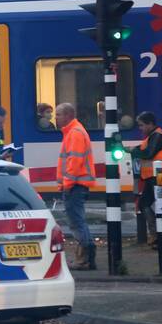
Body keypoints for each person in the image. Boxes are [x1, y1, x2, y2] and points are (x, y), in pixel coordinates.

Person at [56, 102, 97, 270]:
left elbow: (74, 161)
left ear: (68, 116)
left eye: (58, 115)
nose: (55, 118)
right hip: (77, 184)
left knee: (76, 221)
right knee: (77, 220)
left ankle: (84, 258)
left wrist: (67, 184)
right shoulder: (74, 131)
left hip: (75, 185)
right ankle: (86, 256)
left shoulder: (74, 133)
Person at [126, 111, 162, 246]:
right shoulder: (153, 136)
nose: (140, 129)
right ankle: (159, 236)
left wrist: (132, 151)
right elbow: (143, 149)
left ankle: (161, 237)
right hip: (154, 175)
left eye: (141, 125)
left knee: (157, 205)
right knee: (150, 204)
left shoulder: (158, 136)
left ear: (150, 124)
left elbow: (148, 153)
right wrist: (127, 149)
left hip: (160, 175)